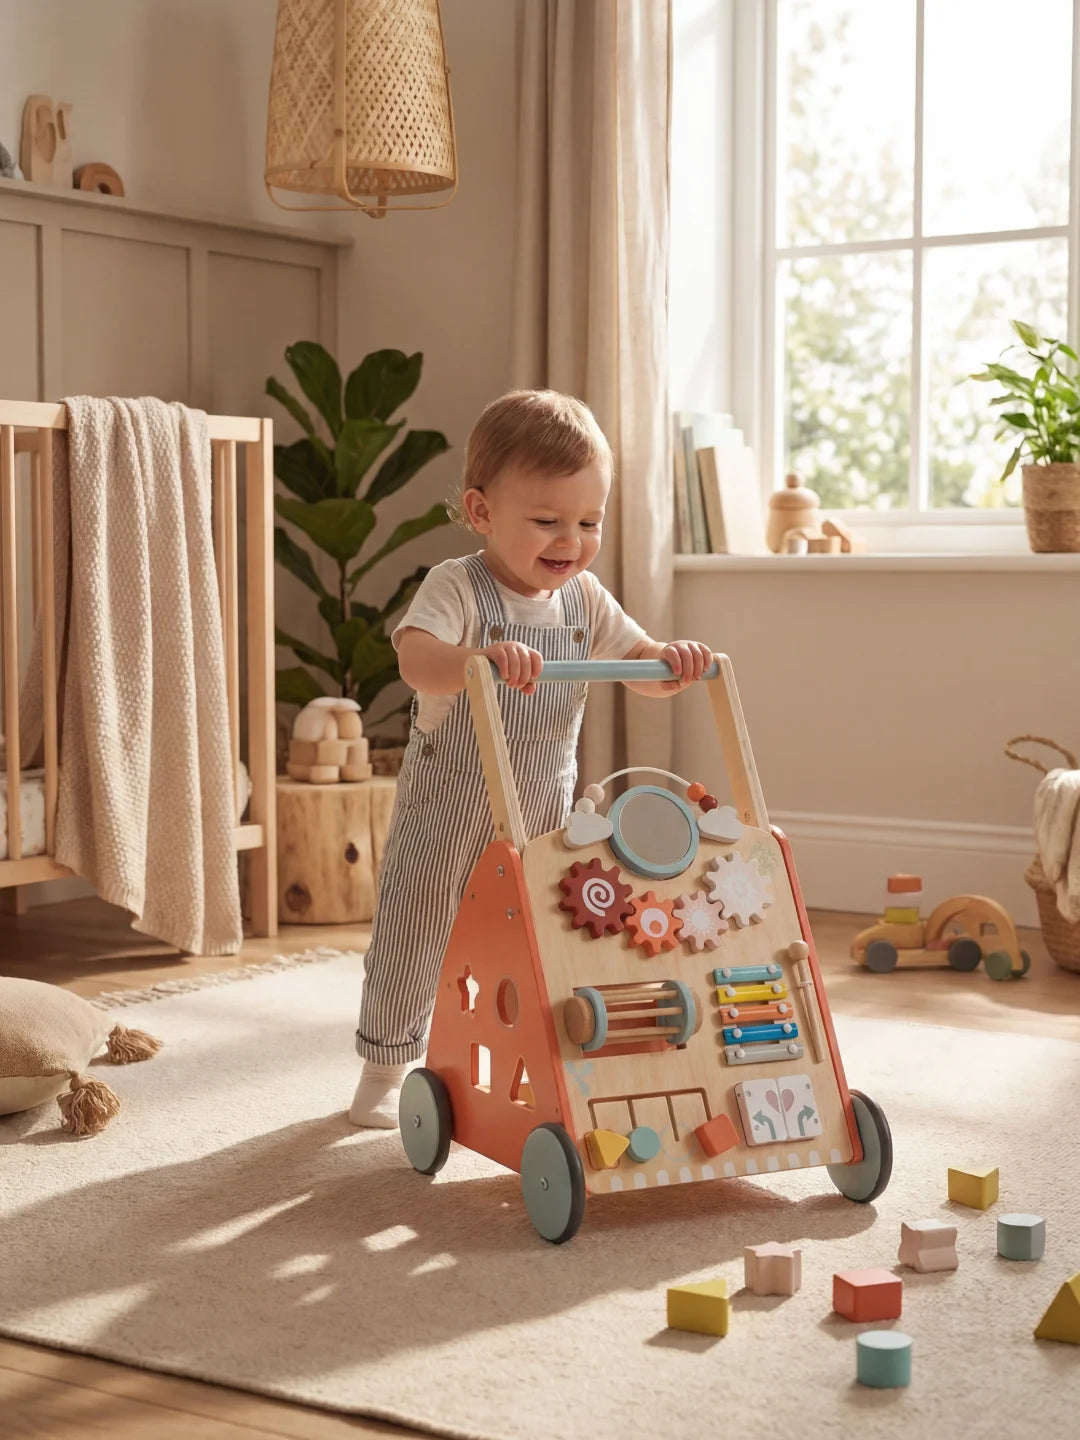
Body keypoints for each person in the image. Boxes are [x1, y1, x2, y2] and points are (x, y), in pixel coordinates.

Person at [349, 389, 714, 1127]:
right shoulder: (458, 585)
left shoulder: (586, 599)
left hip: (544, 808)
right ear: (482, 512)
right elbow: (416, 660)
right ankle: (385, 1068)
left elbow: (638, 664)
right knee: (417, 931)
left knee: (546, 932)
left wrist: (669, 662)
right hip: (449, 804)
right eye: (547, 521)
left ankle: (531, 1058)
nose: (570, 541)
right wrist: (476, 661)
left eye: (589, 522)